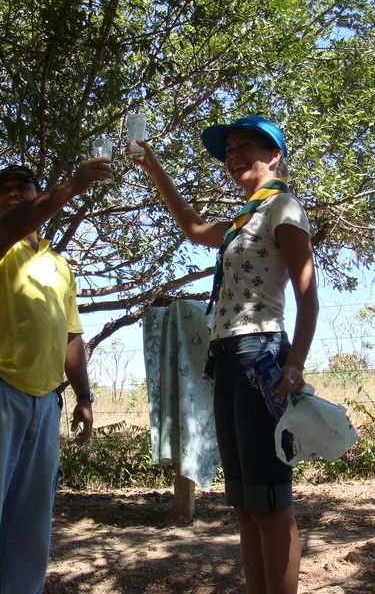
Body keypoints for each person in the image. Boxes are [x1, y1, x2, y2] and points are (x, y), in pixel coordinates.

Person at [133, 115, 319, 593]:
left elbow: (308, 296)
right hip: (229, 357)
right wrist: (153, 167)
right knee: (244, 503)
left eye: (245, 147)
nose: (233, 156)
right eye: (229, 150)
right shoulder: (244, 219)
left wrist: (295, 364)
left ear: (274, 155)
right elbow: (194, 229)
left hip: (261, 354)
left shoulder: (283, 208)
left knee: (271, 502)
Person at [0, 160, 112, 593]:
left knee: (29, 529)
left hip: (45, 404)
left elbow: (71, 335)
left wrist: (84, 397)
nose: (12, 193)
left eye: (22, 186)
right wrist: (72, 186)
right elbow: (12, 227)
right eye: (3, 190)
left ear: (37, 193)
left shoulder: (59, 265)